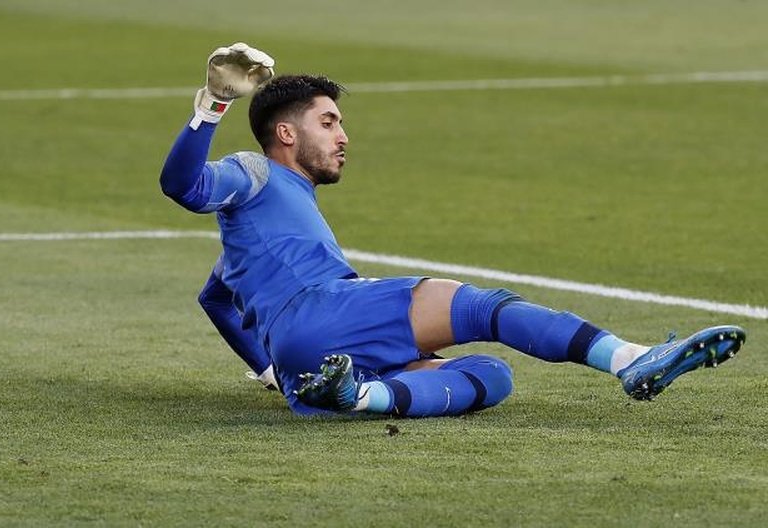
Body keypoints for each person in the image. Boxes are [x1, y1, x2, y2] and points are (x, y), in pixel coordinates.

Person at [159, 43, 746, 417]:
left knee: (491, 376)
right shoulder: (255, 171)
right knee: (478, 308)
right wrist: (212, 104)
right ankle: (630, 358)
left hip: (307, 360)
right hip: (327, 311)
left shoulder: (257, 236)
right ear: (286, 134)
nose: (343, 137)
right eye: (329, 122)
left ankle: (361, 395)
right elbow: (183, 187)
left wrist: (270, 368)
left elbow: (215, 298)